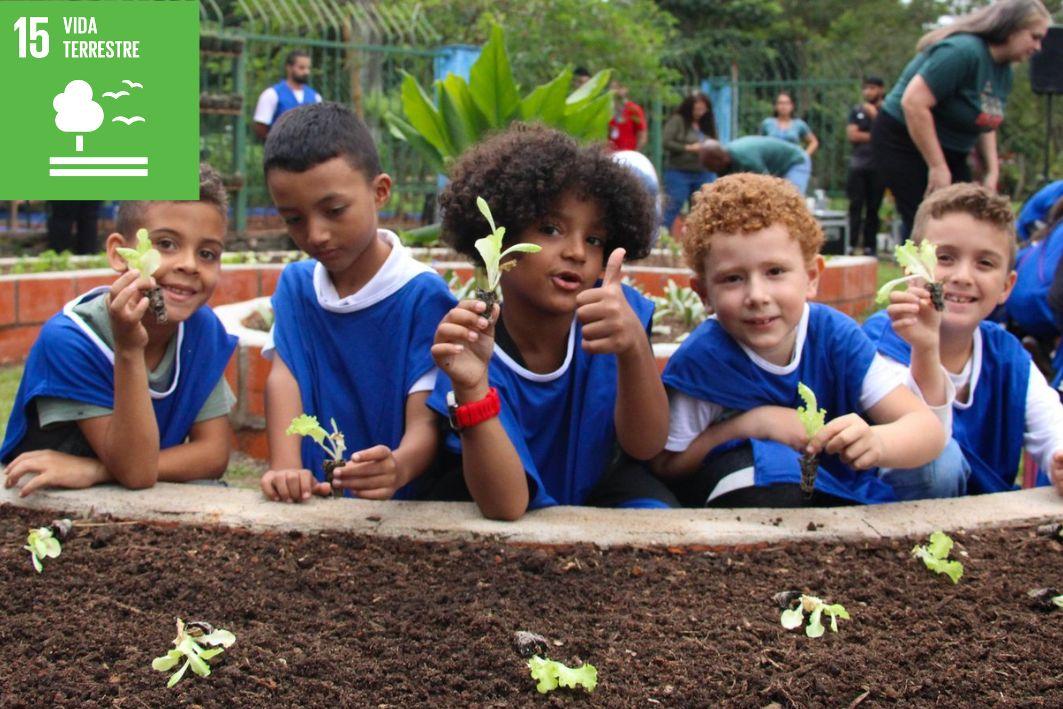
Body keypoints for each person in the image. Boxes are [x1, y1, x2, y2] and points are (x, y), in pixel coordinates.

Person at [426, 124, 674, 520]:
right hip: (507, 500)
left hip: (603, 491)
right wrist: (472, 388)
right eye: (551, 229)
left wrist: (633, 349)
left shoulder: (616, 316)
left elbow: (646, 445)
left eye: (594, 239)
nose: (576, 252)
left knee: (660, 519)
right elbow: (506, 507)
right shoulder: (473, 342)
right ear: (500, 240)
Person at [652, 174, 946, 507]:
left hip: (839, 495)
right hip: (745, 502)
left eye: (775, 271)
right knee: (769, 468)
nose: (757, 295)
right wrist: (753, 425)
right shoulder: (704, 358)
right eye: (733, 278)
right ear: (704, 294)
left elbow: (928, 429)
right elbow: (665, 464)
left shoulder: (835, 337)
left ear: (811, 277)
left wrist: (877, 441)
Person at [259, 103, 455, 503]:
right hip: (316, 505)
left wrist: (398, 466)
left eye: (334, 211)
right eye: (293, 219)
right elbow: (285, 377)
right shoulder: (298, 287)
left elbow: (427, 418)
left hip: (402, 511)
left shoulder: (422, 295)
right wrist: (285, 465)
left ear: (380, 191)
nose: (316, 234)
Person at [2, 165, 237, 496]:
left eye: (207, 253)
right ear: (118, 253)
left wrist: (95, 469)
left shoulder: (200, 329)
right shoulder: (73, 340)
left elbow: (212, 455)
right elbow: (136, 472)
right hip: (44, 507)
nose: (189, 264)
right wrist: (128, 349)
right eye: (166, 244)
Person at [865, 183, 1063, 497]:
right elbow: (922, 445)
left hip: (985, 530)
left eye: (985, 263)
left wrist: (1058, 458)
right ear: (910, 269)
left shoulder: (1007, 355)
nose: (962, 276)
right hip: (891, 518)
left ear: (1006, 286)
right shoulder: (881, 340)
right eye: (944, 257)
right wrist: (925, 346)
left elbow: (1052, 426)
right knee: (936, 456)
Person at [871, 0, 1051, 236]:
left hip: (952, 148)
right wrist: (937, 166)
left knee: (963, 218)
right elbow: (914, 102)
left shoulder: (1003, 70)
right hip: (905, 140)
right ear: (1011, 28)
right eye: (1034, 37)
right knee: (930, 221)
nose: (1038, 47)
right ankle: (920, 271)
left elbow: (986, 120)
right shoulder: (962, 51)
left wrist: (991, 172)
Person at [662, 92, 718, 234]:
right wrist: (688, 148)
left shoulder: (707, 123)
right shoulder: (678, 121)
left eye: (703, 109)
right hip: (679, 171)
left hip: (703, 171)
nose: (700, 112)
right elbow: (666, 142)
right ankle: (661, 238)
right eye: (697, 109)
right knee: (674, 203)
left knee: (703, 206)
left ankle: (699, 238)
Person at [846, 77, 887, 255]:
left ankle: (870, 247)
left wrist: (875, 118)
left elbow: (888, 134)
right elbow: (852, 135)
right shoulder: (857, 110)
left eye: (872, 88)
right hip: (858, 165)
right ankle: (851, 244)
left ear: (880, 89)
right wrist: (874, 136)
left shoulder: (886, 111)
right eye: (865, 88)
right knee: (855, 206)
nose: (868, 92)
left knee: (873, 208)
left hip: (878, 165)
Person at [698, 136, 812, 195]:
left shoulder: (745, 159)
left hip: (795, 161)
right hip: (776, 166)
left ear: (719, 161)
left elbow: (767, 187)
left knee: (791, 199)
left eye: (711, 167)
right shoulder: (725, 160)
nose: (710, 171)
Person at [252, 50, 323, 141]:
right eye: (301, 68)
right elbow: (261, 126)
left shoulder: (316, 97)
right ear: (289, 68)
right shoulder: (272, 94)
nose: (306, 72)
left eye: (308, 68)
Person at [760, 91, 819, 157]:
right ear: (775, 106)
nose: (784, 106)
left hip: (792, 162)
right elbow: (760, 143)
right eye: (780, 103)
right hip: (772, 162)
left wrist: (804, 156)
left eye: (787, 103)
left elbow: (813, 142)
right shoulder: (767, 123)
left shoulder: (799, 124)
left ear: (792, 106)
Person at [607, 80, 647, 152]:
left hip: (628, 155)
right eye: (613, 87)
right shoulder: (606, 109)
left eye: (619, 87)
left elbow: (642, 135)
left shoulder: (633, 109)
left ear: (626, 89)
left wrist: (634, 154)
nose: (616, 90)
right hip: (609, 156)